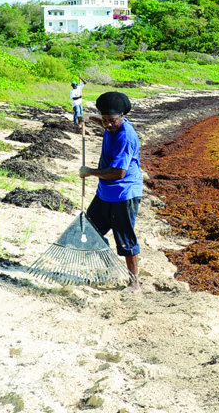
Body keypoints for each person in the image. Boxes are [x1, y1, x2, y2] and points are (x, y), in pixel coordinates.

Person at [79, 91, 143, 292]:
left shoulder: (125, 136)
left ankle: (135, 283)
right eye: (105, 119)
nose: (107, 124)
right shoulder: (111, 124)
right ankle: (112, 267)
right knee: (90, 229)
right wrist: (90, 118)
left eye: (111, 120)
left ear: (123, 116)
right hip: (105, 192)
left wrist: (90, 172)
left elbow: (118, 172)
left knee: (124, 238)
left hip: (124, 193)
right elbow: (104, 122)